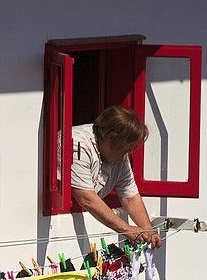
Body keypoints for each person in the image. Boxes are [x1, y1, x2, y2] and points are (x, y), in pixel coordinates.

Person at [66, 106, 162, 248]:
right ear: (111, 138)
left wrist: (149, 231)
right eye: (126, 148)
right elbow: (86, 198)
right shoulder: (76, 142)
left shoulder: (119, 154)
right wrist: (127, 229)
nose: (128, 152)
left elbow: (130, 197)